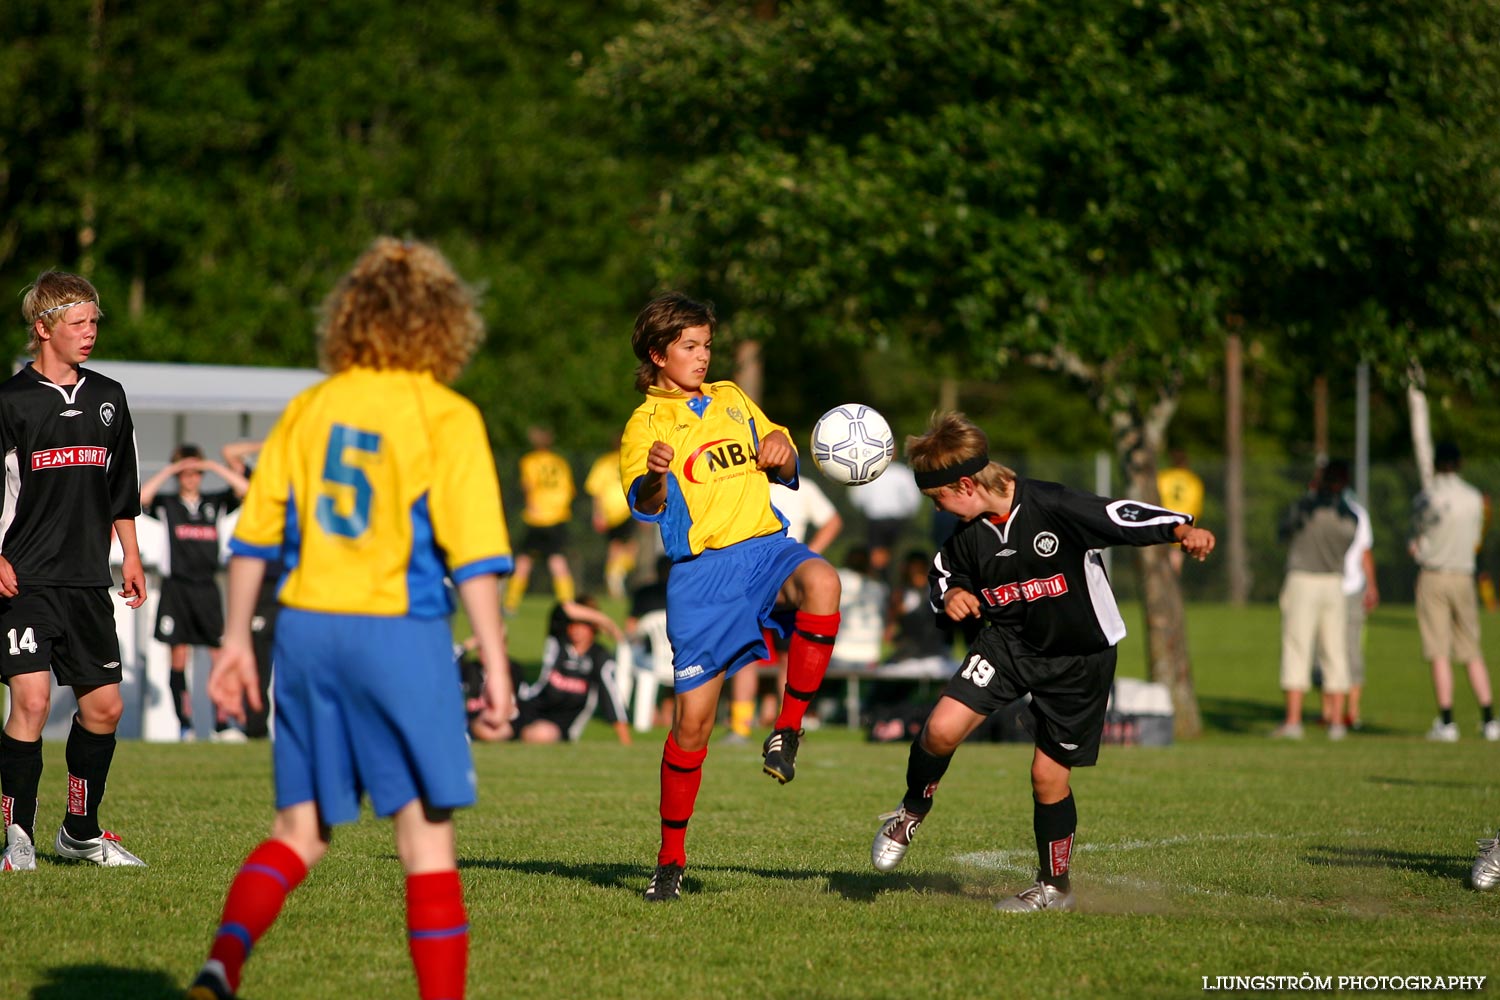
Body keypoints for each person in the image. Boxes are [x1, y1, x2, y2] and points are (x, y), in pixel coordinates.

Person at [186, 238, 515, 1000]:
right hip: (397, 628)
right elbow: (474, 556)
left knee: (298, 833)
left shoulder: (309, 407)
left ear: (349, 316)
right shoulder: (446, 414)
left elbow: (255, 539)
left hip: (304, 628)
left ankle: (220, 966)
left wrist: (236, 640)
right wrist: (495, 662)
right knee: (426, 843)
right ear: (444, 322)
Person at [868, 411, 1214, 912]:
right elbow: (943, 575)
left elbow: (1120, 514)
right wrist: (952, 598)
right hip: (1008, 644)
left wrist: (1181, 529)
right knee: (941, 729)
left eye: (938, 497)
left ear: (965, 484)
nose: (937, 507)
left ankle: (1054, 888)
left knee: (1048, 777)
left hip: (1080, 659)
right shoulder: (966, 534)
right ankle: (910, 811)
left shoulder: (1051, 504)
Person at [621, 292, 842, 902]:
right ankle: (670, 861)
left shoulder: (731, 398)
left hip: (766, 550)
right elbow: (643, 503)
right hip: (703, 577)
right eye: (689, 347)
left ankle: (787, 730)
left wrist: (783, 451)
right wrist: (656, 476)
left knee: (824, 582)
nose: (701, 355)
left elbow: (781, 449)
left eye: (706, 345)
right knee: (692, 727)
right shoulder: (645, 426)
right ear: (658, 354)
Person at [0, 270, 148, 873]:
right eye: (78, 324)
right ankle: (18, 838)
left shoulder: (109, 396)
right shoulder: (10, 402)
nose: (90, 333)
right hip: (25, 580)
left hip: (88, 578)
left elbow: (122, 486)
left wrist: (130, 553)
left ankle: (80, 833)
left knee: (104, 709)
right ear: (44, 329)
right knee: (31, 702)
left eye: (94, 323)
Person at [140, 443, 249, 742]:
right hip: (177, 589)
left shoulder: (215, 501)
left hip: (206, 588)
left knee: (218, 655)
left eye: (195, 473)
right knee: (178, 656)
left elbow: (245, 490)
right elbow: (142, 497)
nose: (191, 478)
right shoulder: (167, 503)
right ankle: (184, 724)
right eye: (185, 473)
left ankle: (222, 723)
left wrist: (214, 468)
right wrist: (171, 470)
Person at [726, 473, 844, 742]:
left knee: (789, 658)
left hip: (787, 580)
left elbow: (833, 521)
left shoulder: (804, 485)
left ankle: (787, 726)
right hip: (749, 577)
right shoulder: (741, 479)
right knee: (744, 654)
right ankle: (740, 726)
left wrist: (808, 555)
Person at [1409, 442, 1498, 742]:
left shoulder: (1427, 497)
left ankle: (1447, 722)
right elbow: (1476, 539)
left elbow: (1417, 538)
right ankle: (1489, 719)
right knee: (1471, 650)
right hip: (1464, 576)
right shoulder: (1474, 498)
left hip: (1434, 576)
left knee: (1439, 651)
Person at [1272, 462, 1359, 741]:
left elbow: (1283, 532)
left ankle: (1294, 721)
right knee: (1335, 651)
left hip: (1303, 580)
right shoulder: (1348, 516)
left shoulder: (1305, 510)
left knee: (1297, 648)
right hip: (1334, 582)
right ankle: (1336, 722)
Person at [468, 597, 631, 745]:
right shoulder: (558, 644)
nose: (576, 629)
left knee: (540, 734)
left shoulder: (599, 656)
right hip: (527, 711)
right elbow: (563, 607)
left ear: (593, 628)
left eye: (583, 624)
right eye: (572, 624)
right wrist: (605, 621)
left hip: (559, 726)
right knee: (486, 729)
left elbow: (610, 696)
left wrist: (625, 742)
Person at [220, 440, 281, 739]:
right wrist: (272, 444)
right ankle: (256, 727)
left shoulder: (308, 480)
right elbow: (230, 452)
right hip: (264, 582)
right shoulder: (264, 480)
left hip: (298, 582)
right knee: (258, 655)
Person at [1318, 460, 1378, 730]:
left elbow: (1365, 552)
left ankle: (1351, 711)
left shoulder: (1356, 513)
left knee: (1350, 651)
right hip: (1326, 585)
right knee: (1324, 651)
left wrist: (1371, 586)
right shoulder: (1317, 509)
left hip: (1351, 588)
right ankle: (1329, 711)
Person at [505, 425, 577, 614]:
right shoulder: (560, 462)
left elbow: (528, 486)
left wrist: (532, 505)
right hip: (558, 516)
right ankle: (567, 603)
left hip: (537, 517)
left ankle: (510, 604)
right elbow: (570, 490)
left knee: (524, 561)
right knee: (557, 560)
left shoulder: (529, 461)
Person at [847, 455, 923, 578]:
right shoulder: (868, 472)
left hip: (897, 520)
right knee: (878, 556)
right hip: (876, 520)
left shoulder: (901, 472)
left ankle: (892, 582)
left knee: (895, 555)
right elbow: (858, 496)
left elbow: (912, 498)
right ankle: (881, 581)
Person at [584, 435, 639, 600]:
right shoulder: (632, 459)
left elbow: (595, 490)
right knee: (629, 546)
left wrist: (598, 514)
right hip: (627, 508)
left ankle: (615, 575)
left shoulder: (603, 462)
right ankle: (616, 575)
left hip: (612, 511)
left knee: (617, 546)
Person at [1156, 449, 1205, 574]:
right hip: (1182, 526)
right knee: (1174, 565)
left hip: (1161, 523)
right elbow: (1196, 507)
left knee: (1156, 565)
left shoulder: (1163, 476)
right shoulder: (1194, 481)